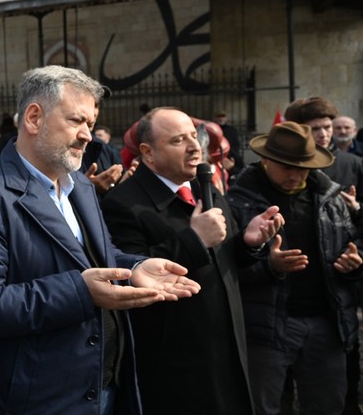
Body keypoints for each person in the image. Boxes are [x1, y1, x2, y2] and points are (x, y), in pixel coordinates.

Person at [0, 66, 201, 414]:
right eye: (77, 121)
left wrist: (135, 267)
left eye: (91, 124)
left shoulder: (78, 185)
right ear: (34, 118)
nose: (88, 136)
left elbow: (99, 257)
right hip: (34, 400)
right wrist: (81, 292)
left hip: (101, 389)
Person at [100, 106, 283, 415]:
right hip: (174, 363)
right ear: (148, 152)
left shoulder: (204, 187)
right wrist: (194, 239)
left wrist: (249, 243)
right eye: (177, 140)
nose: (195, 146)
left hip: (228, 349)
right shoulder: (123, 203)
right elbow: (131, 274)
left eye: (193, 137)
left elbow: (224, 259)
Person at [227, 121, 363, 415]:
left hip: (326, 324)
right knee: (262, 407)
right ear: (266, 160)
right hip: (266, 326)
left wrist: (353, 263)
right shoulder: (238, 201)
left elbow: (351, 243)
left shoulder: (330, 199)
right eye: (287, 167)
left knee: (328, 405)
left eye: (303, 167)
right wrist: (269, 265)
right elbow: (227, 271)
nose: (295, 175)